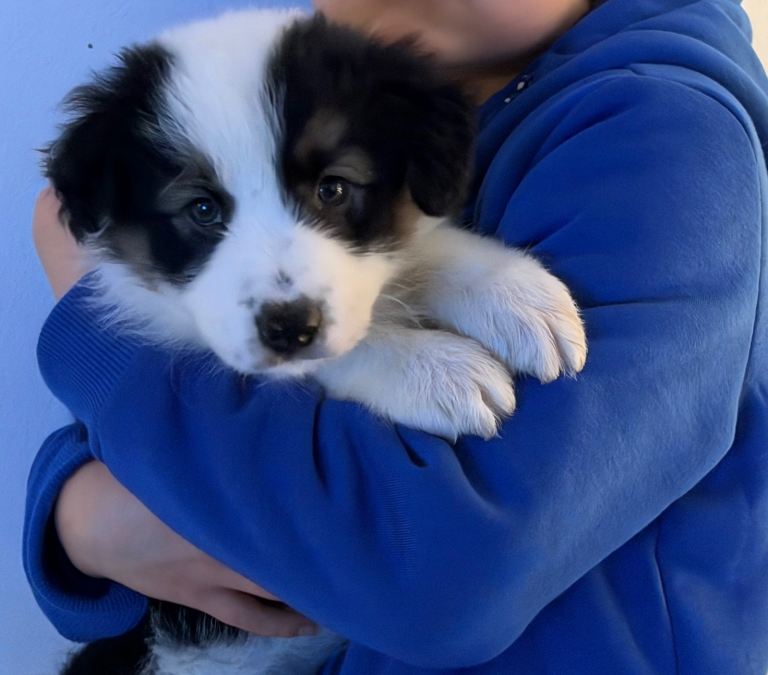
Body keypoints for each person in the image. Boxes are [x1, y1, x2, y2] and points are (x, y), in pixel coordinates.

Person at [27, 0, 768, 672]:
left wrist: (97, 345)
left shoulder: (662, 137)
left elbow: (440, 576)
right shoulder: (348, 95)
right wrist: (74, 513)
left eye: (328, 191)